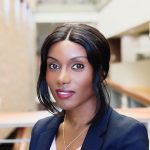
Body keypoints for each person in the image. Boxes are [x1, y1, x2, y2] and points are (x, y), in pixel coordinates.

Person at [29, 23, 149, 150]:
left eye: (77, 66)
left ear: (101, 72)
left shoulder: (127, 135)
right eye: (54, 66)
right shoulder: (40, 129)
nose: (61, 78)